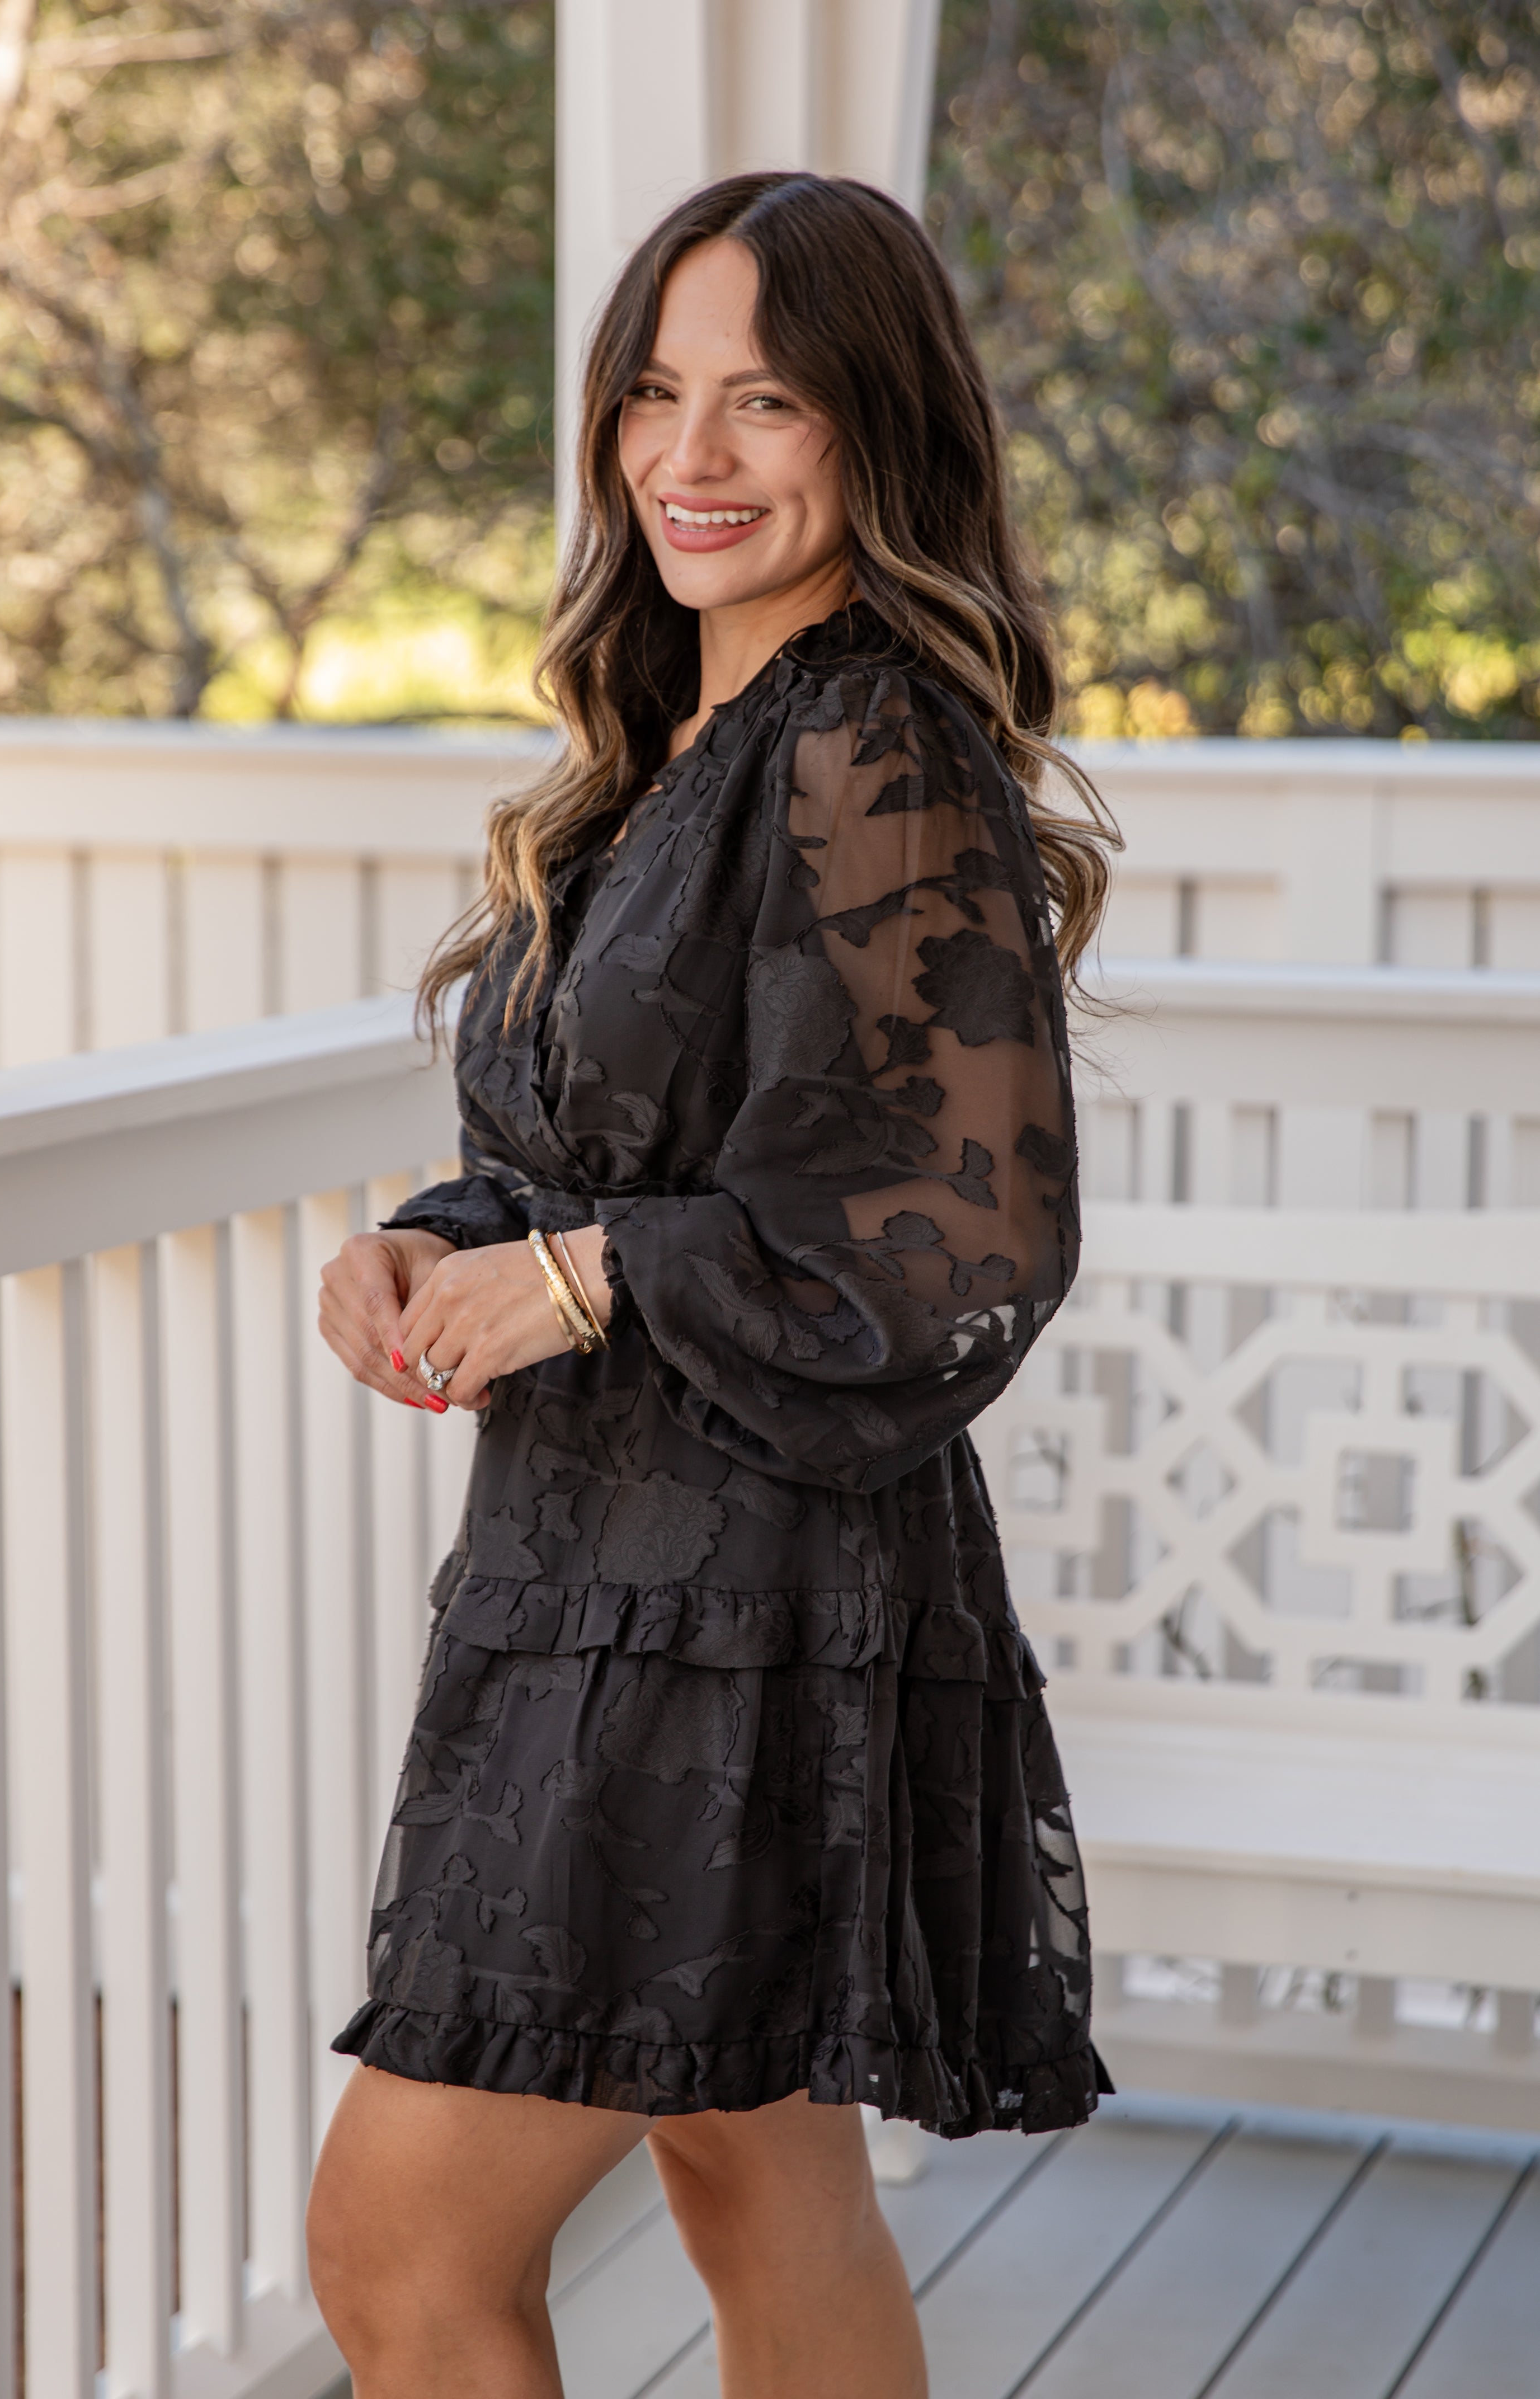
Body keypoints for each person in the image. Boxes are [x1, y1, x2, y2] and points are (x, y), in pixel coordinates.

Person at [307, 170, 1117, 2399]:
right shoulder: (671, 745)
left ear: (877, 428)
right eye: (656, 392)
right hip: (614, 1575)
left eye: (765, 397)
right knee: (756, 2178)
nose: (693, 451)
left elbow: (963, 1231)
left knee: (395, 2245)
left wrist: (585, 1282)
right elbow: (629, 1156)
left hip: (732, 1601)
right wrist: (445, 1240)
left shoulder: (866, 744)